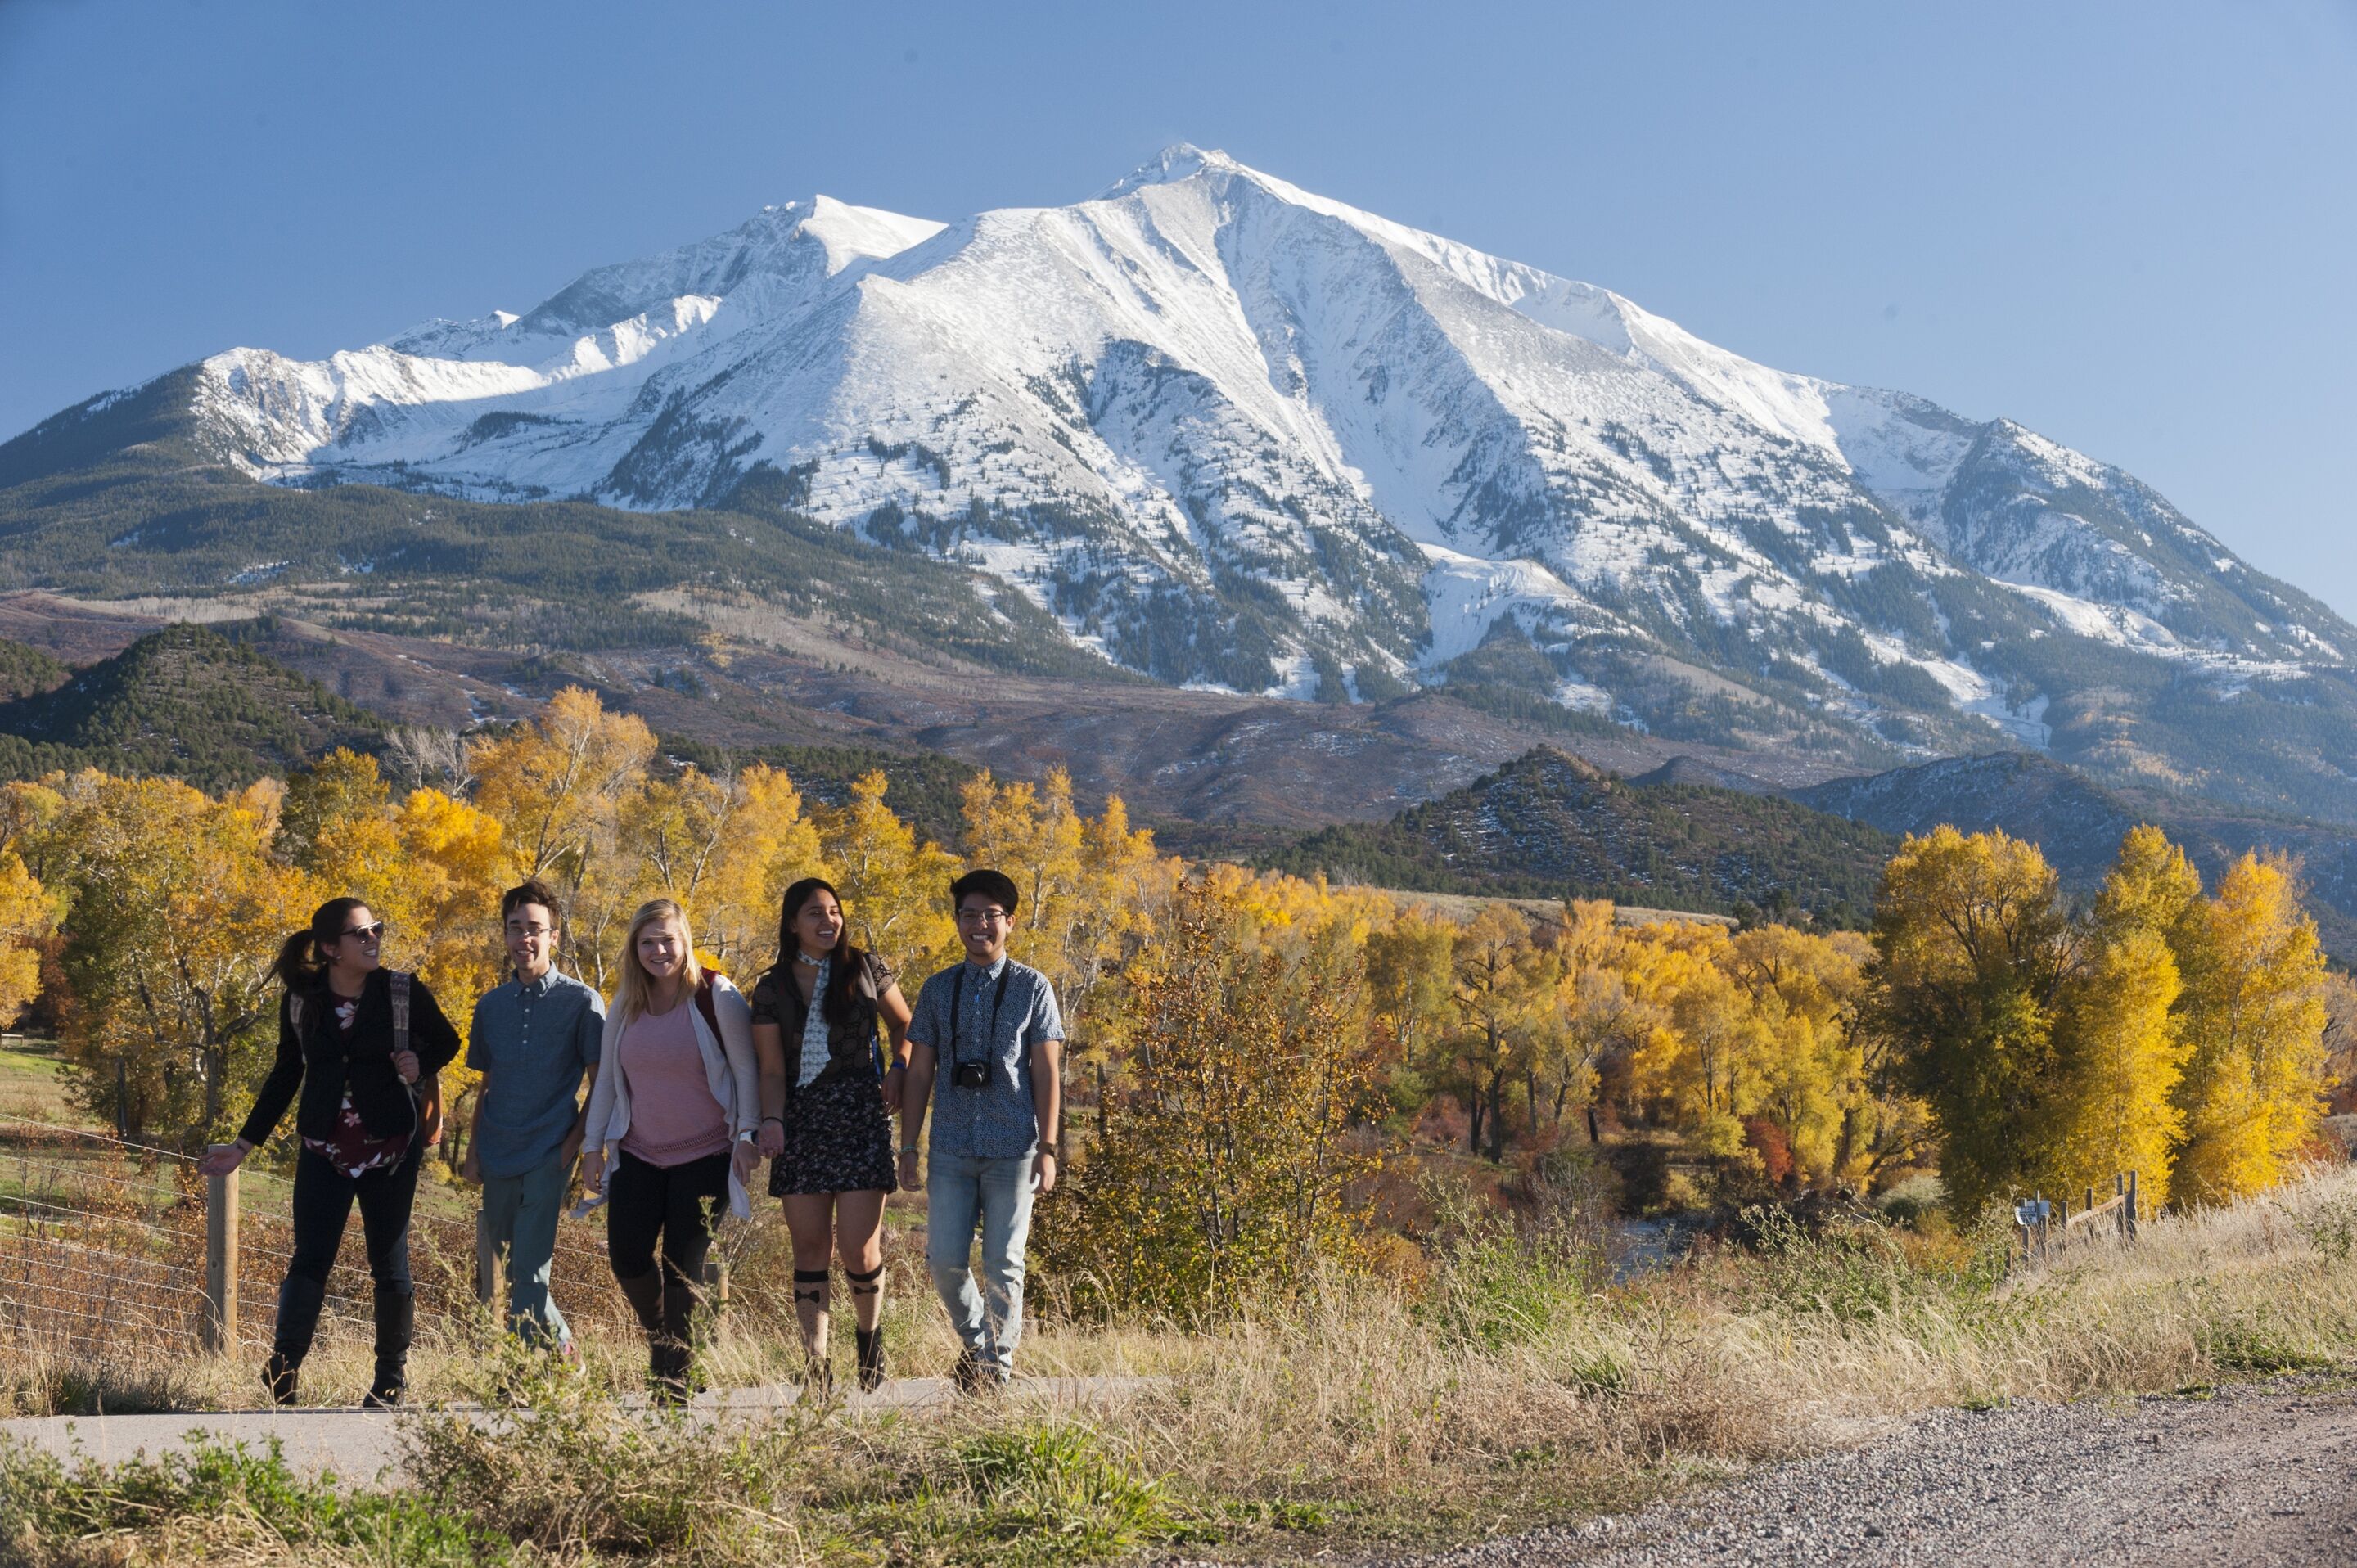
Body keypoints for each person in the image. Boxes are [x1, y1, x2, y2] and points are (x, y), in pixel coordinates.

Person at [197, 898, 462, 1408]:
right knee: (311, 1257)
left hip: (391, 1150)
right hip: (324, 1149)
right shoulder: (302, 1001)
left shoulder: (402, 991)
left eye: (376, 929)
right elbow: (285, 1075)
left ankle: (390, 1380)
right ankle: (284, 1365)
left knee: (389, 1263)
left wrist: (418, 1061)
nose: (373, 939)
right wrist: (243, 1146)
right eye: (360, 933)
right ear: (330, 948)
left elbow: (447, 1042)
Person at [579, 898, 759, 1398]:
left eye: (667, 941)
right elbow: (607, 1081)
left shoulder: (717, 996)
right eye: (647, 942)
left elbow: (746, 1072)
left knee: (683, 1263)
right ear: (634, 948)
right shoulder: (627, 1002)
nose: (658, 951)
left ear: (686, 942)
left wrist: (747, 1136)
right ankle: (667, 1339)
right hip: (639, 1152)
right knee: (627, 1257)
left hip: (707, 1154)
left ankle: (673, 1377)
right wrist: (593, 1147)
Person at [899, 868, 1064, 1393]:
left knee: (1004, 1263)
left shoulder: (1033, 987)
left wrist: (1048, 1148)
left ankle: (995, 1372)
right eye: (968, 915)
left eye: (990, 916)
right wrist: (907, 1146)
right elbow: (919, 1072)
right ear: (957, 921)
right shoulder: (937, 989)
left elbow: (1047, 1072)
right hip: (950, 1146)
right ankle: (978, 1345)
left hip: (1013, 1148)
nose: (979, 925)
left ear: (1009, 922)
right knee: (944, 1260)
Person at [748, 877, 914, 1395]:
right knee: (810, 1247)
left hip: (862, 1116)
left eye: (834, 911)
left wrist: (899, 1068)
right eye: (815, 913)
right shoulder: (771, 988)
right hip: (801, 1123)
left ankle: (869, 1336)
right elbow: (770, 1070)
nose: (829, 921)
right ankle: (816, 1363)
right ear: (792, 924)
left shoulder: (865, 968)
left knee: (859, 1250)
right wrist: (772, 1120)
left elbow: (905, 1026)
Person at [460, 879, 604, 1354]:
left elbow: (602, 1084)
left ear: (554, 936)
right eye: (515, 928)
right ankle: (565, 1353)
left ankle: (518, 1371)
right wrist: (473, 1152)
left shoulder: (582, 1002)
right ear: (505, 934)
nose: (525, 938)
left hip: (549, 1150)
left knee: (530, 1267)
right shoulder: (490, 1006)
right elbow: (487, 1085)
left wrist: (573, 1148)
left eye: (535, 929)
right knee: (509, 1261)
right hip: (498, 1151)